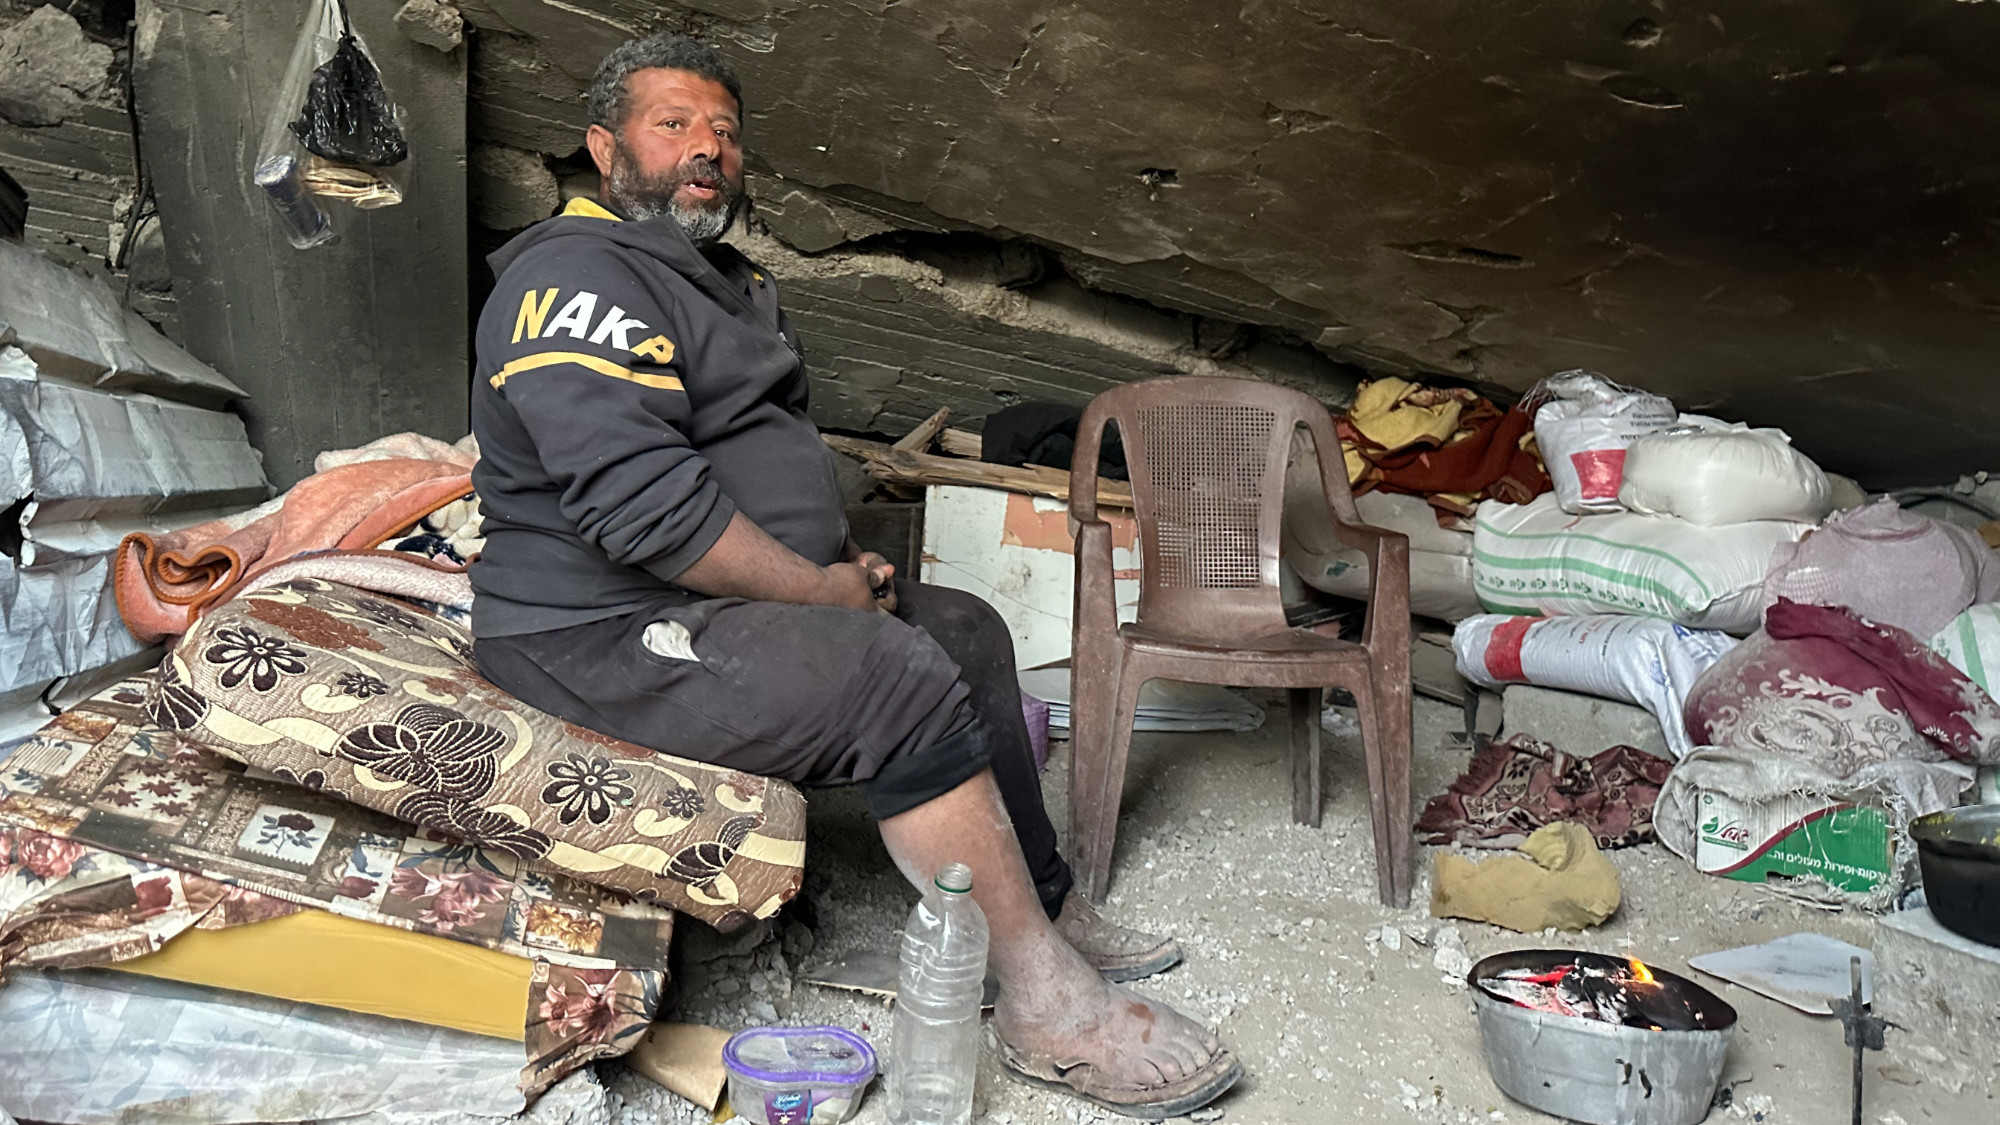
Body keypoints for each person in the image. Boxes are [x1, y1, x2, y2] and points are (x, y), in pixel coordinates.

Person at [466, 32, 1241, 1118]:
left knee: (964, 627)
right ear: (605, 148)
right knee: (891, 671)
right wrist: (819, 595)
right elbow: (640, 505)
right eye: (674, 125)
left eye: (726, 134)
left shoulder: (717, 281)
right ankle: (1041, 1003)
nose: (708, 150)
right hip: (594, 625)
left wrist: (829, 561)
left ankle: (1043, 906)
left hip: (705, 595)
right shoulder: (576, 277)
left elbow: (739, 461)